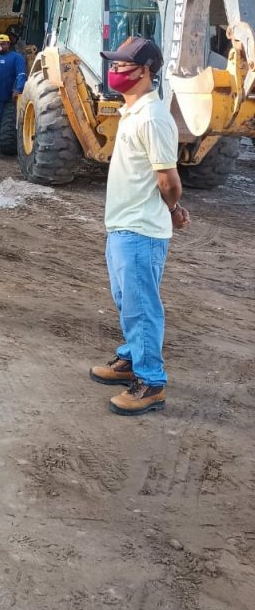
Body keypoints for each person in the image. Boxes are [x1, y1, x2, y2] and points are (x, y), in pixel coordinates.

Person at [90, 37, 190, 416]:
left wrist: (173, 208)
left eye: (122, 66)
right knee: (127, 303)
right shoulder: (132, 111)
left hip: (140, 232)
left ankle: (151, 383)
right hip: (123, 226)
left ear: (145, 71)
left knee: (142, 307)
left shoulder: (151, 116)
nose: (114, 71)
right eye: (113, 64)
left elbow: (168, 180)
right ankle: (132, 358)